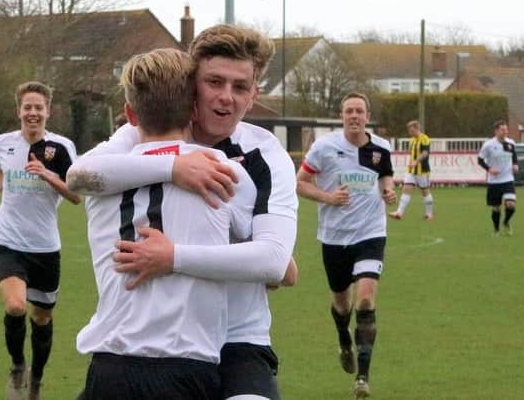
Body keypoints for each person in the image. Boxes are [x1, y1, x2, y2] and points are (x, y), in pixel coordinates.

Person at [67, 24, 298, 400]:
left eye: (240, 87)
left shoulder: (264, 156)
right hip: (156, 346)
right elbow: (79, 176)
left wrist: (173, 257)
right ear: (192, 85)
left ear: (254, 95)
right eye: (215, 82)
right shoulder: (143, 131)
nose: (226, 97)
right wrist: (173, 168)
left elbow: (275, 263)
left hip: (238, 339)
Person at [0, 81, 80, 400]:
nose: (33, 113)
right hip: (8, 240)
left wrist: (47, 175)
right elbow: (0, 171)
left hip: (45, 247)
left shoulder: (62, 148)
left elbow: (76, 195)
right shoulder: (4, 142)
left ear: (48, 111)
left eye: (39, 107)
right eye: (28, 107)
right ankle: (18, 366)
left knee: (42, 317)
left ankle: (36, 380)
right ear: (19, 111)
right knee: (15, 306)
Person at [296, 92, 396, 398]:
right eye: (349, 111)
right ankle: (343, 338)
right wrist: (328, 198)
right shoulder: (324, 148)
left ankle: (362, 379)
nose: (354, 116)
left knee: (366, 300)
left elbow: (386, 176)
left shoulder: (381, 147)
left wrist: (389, 191)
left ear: (367, 115)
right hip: (334, 237)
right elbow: (299, 182)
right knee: (342, 303)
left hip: (371, 233)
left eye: (359, 111)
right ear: (342, 116)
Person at [477, 119, 519, 235]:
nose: (505, 131)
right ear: (496, 131)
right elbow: (480, 160)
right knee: (496, 208)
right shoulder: (489, 145)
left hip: (508, 179)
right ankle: (496, 230)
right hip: (494, 182)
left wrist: (515, 164)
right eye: (502, 129)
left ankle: (506, 222)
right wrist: (489, 169)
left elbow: (513, 154)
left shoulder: (510, 142)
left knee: (511, 204)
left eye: (506, 129)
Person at [389, 120, 434, 220]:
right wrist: (412, 163)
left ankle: (429, 214)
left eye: (411, 130)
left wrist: (416, 161)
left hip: (422, 170)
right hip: (411, 171)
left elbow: (425, 153)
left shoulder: (424, 138)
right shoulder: (412, 140)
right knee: (406, 189)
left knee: (425, 192)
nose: (410, 132)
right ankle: (399, 213)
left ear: (417, 128)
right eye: (409, 130)